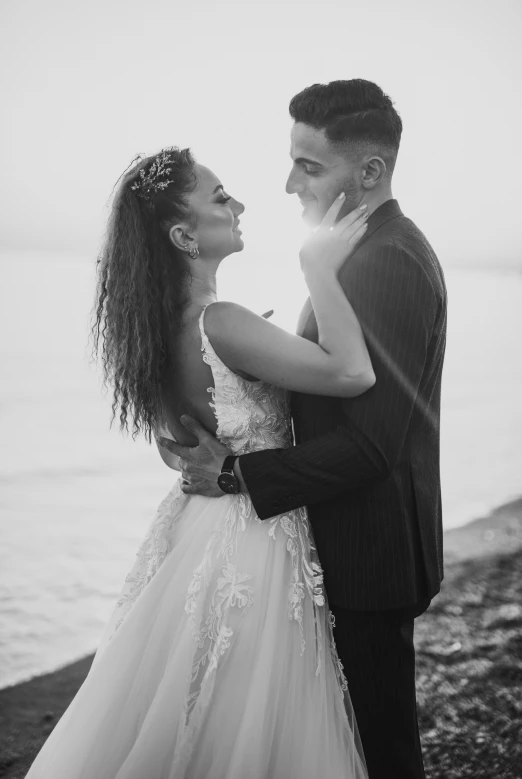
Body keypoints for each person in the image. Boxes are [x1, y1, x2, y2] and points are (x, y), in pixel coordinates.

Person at [25, 145, 373, 778]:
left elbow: (186, 431)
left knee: (185, 712)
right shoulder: (223, 322)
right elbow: (352, 373)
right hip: (252, 537)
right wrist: (317, 267)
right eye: (220, 197)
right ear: (184, 235)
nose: (237, 204)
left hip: (194, 528)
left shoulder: (154, 331)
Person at [165, 79, 448, 779]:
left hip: (368, 553)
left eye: (310, 165)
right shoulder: (350, 251)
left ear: (371, 170)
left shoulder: (387, 262)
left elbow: (372, 444)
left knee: (382, 752)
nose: (289, 183)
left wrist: (234, 474)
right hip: (339, 545)